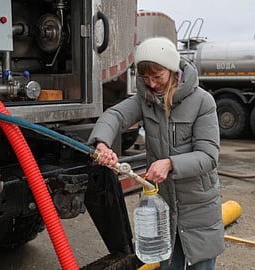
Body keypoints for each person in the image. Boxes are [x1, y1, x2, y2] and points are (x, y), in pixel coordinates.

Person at [87, 37, 224, 270]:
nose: (152, 84)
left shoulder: (202, 101)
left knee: (201, 263)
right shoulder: (145, 100)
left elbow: (209, 155)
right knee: (169, 263)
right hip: (164, 203)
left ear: (171, 70)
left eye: (157, 76)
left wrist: (170, 163)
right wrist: (102, 143)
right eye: (146, 78)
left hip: (197, 203)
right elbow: (115, 116)